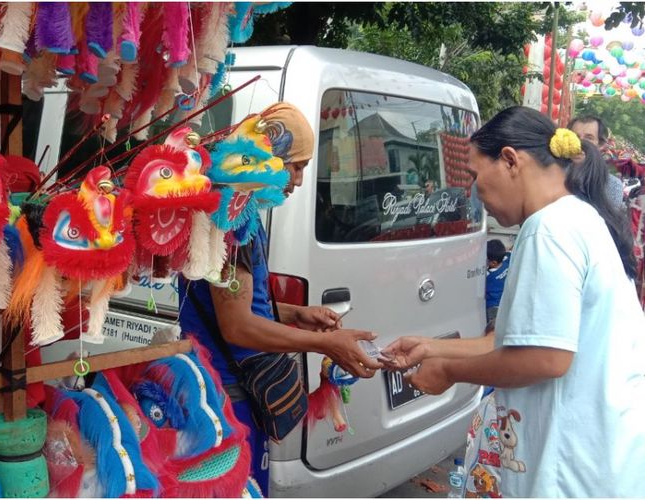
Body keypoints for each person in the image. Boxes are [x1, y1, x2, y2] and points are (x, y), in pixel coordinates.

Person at [380, 106, 645, 497]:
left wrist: (450, 372)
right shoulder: (577, 218)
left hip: (575, 466)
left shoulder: (549, 229)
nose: (473, 190)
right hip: (604, 457)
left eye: (473, 175)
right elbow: (521, 340)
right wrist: (430, 347)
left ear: (509, 160)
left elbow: (546, 358)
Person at [178, 102, 382, 495]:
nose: (300, 180)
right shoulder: (232, 221)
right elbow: (236, 325)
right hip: (224, 394)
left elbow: (237, 302)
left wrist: (295, 313)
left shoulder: (241, 213)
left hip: (224, 387)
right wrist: (326, 343)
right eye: (297, 165)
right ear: (269, 157)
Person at [568, 115, 625, 209]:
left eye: (589, 138)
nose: (581, 143)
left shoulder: (611, 185)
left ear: (601, 144)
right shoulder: (552, 174)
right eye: (575, 137)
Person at [485, 239, 510, 323]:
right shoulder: (507, 262)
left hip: (493, 307)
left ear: (493, 263)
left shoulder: (488, 276)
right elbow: (509, 253)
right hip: (505, 302)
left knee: (492, 325)